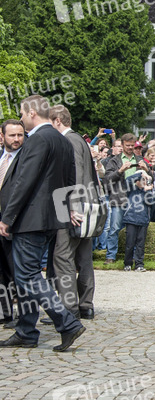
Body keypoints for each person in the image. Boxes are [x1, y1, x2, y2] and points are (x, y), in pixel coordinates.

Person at [0, 95, 86, 352]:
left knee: (27, 275)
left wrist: (7, 217)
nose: (21, 118)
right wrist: (66, 210)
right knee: (25, 275)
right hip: (50, 218)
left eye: (22, 113)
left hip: (31, 219)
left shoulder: (38, 139)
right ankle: (26, 331)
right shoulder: (62, 139)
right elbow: (70, 179)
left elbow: (24, 181)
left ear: (31, 113)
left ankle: (67, 323)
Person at [49, 105, 100, 319]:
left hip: (74, 207)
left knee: (63, 257)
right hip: (87, 206)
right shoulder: (79, 139)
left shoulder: (69, 140)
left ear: (57, 121)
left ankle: (68, 308)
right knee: (83, 257)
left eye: (50, 123)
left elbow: (76, 173)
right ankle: (86, 305)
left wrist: (71, 207)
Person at [0, 119, 25, 327]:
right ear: (2, 136)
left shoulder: (25, 159)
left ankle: (24, 316)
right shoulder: (1, 158)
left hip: (16, 223)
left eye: (20, 135)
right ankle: (5, 313)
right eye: (12, 135)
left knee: (18, 271)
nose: (17, 139)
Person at [102, 133, 141, 263]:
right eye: (127, 145)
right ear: (122, 144)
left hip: (136, 199)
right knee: (114, 228)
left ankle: (132, 256)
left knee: (134, 229)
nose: (130, 147)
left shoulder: (139, 159)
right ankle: (110, 256)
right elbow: (107, 180)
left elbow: (150, 177)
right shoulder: (114, 160)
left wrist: (147, 170)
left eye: (132, 145)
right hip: (119, 197)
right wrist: (120, 171)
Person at [122, 169, 153, 272]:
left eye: (145, 180)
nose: (144, 181)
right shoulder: (131, 189)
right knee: (129, 244)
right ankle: (127, 263)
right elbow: (127, 180)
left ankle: (139, 264)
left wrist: (147, 190)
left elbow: (151, 201)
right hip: (131, 219)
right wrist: (141, 174)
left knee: (140, 244)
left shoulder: (147, 190)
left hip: (143, 220)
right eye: (142, 180)